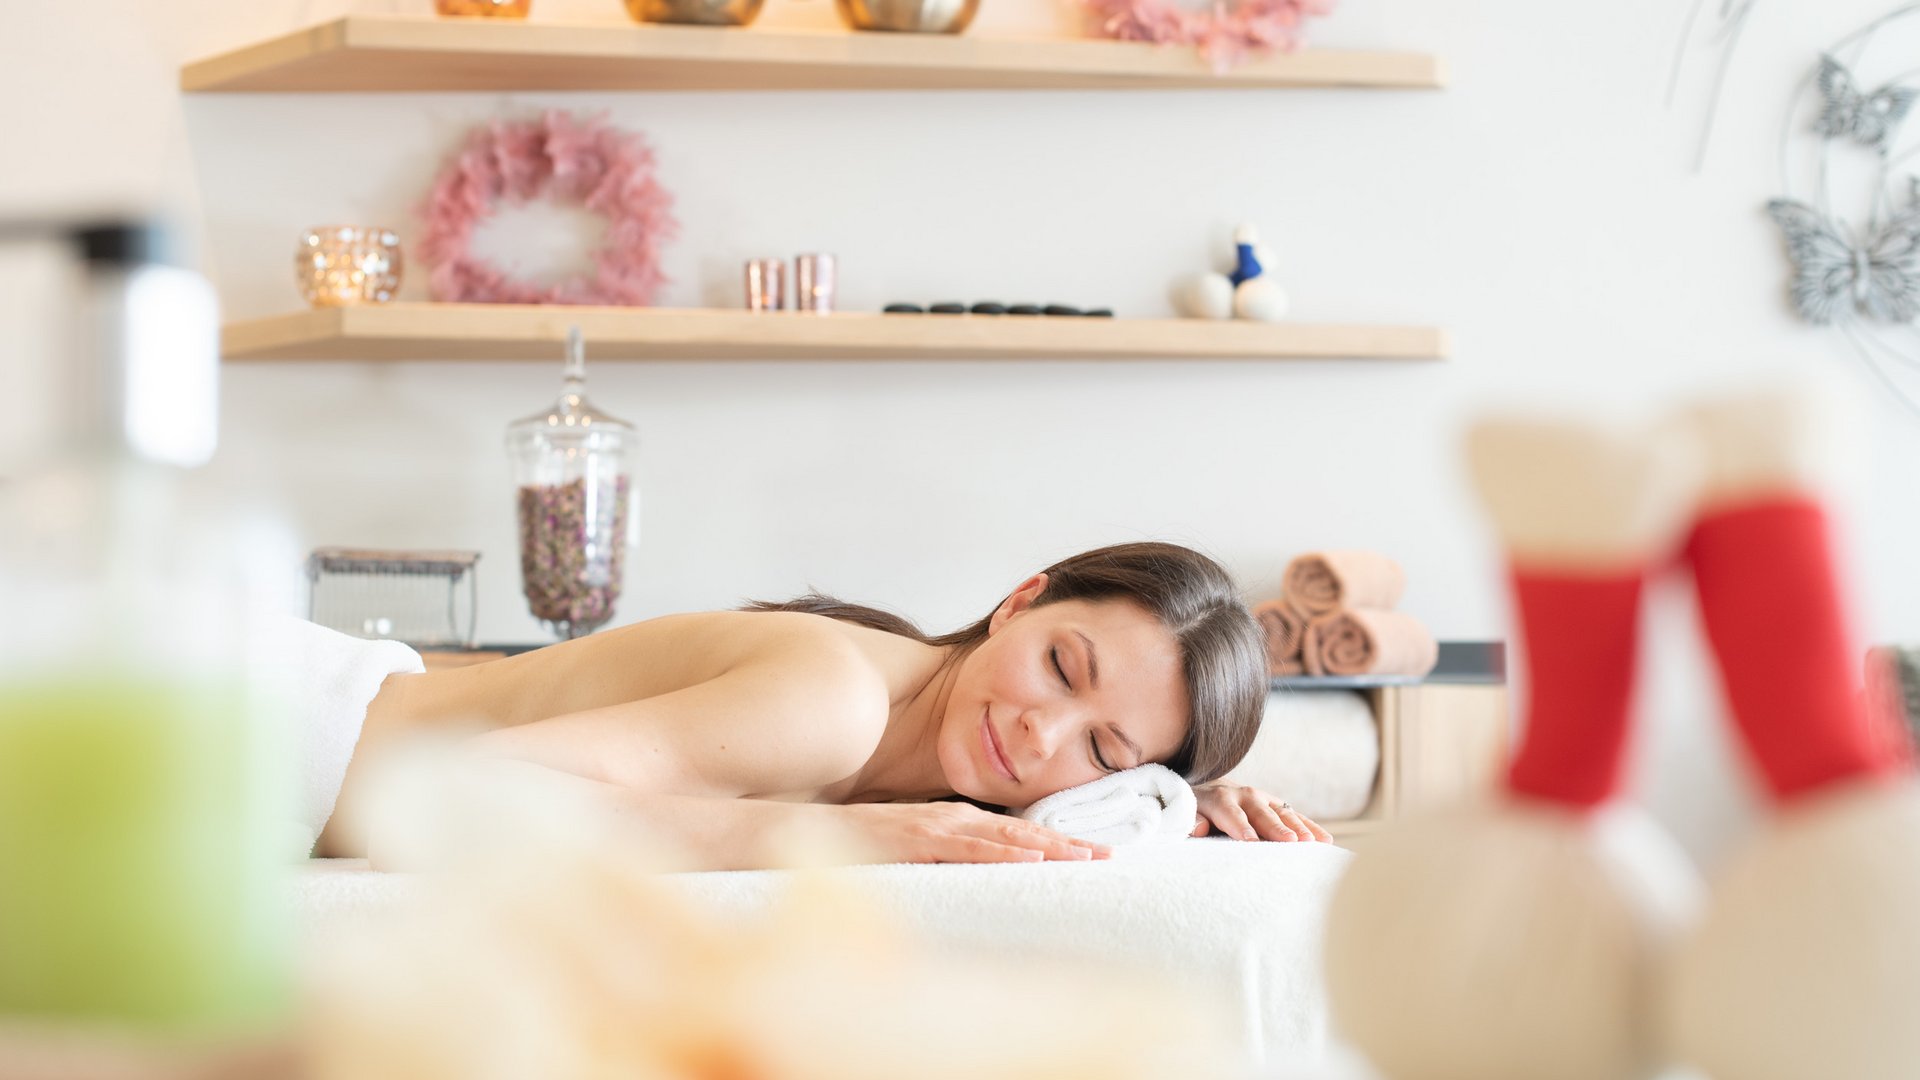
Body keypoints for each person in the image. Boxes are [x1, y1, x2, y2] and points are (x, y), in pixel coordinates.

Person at [315, 541, 1332, 868]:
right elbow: (451, 792)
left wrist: (1182, 802)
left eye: (1108, 750)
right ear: (1021, 601)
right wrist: (870, 841)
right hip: (277, 744)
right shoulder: (837, 701)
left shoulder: (925, 740)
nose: (1043, 733)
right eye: (1062, 669)